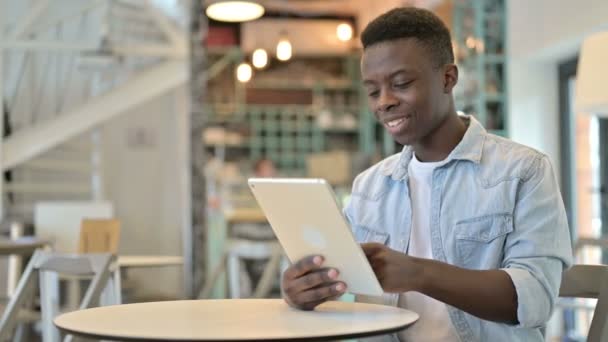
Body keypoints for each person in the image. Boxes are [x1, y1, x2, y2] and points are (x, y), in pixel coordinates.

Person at [281, 7, 572, 342]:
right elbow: (341, 287)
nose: (384, 102)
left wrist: (419, 273)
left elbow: (535, 298)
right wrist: (302, 289)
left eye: (401, 84)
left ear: (448, 78)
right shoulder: (370, 187)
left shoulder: (523, 171)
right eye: (373, 91)